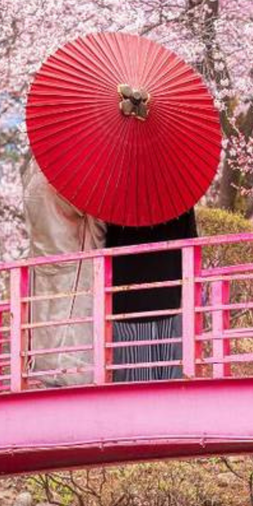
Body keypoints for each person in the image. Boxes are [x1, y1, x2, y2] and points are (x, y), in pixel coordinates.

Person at [21, 155, 106, 387]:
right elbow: (96, 212)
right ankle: (72, 375)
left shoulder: (33, 172)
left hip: (44, 256)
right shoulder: (68, 172)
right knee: (74, 321)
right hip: (73, 254)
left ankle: (42, 371)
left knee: (46, 319)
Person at [104, 209, 198, 382]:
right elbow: (191, 241)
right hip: (168, 297)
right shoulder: (178, 198)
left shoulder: (115, 200)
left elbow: (106, 243)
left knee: (133, 386)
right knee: (172, 384)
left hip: (127, 302)